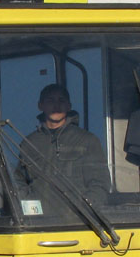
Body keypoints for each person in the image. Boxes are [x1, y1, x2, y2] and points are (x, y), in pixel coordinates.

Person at [15, 83, 112, 213]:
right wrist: (29, 207)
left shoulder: (87, 140)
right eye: (50, 100)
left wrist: (86, 210)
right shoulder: (29, 143)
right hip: (38, 225)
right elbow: (18, 181)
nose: (56, 105)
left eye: (61, 100)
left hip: (78, 224)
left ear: (69, 106)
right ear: (40, 105)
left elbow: (100, 184)